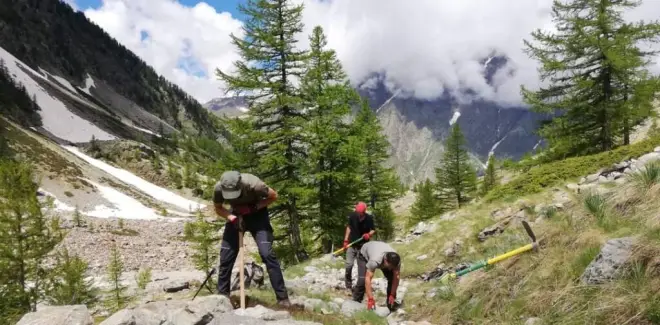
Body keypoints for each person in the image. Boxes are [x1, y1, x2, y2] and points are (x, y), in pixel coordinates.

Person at [212, 170, 291, 307]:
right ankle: (222, 298)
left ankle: (283, 298)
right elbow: (218, 208)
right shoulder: (219, 188)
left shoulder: (255, 184)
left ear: (240, 185)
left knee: (267, 254)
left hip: (258, 216)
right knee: (226, 256)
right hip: (235, 216)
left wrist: (253, 208)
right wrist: (232, 218)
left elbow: (273, 196)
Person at [353, 240, 401, 311]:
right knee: (362, 280)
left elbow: (396, 278)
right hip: (364, 254)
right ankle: (356, 303)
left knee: (391, 278)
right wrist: (370, 298)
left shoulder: (396, 262)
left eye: (393, 267)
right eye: (390, 266)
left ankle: (390, 305)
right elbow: (368, 278)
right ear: (385, 260)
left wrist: (392, 294)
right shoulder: (374, 261)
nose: (391, 269)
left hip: (379, 250)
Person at [343, 202, 376, 290]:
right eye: (357, 211)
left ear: (364, 211)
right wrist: (346, 240)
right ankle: (348, 284)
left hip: (363, 246)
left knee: (361, 267)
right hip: (352, 244)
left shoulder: (369, 218)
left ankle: (360, 286)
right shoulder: (352, 216)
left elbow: (373, 230)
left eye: (360, 212)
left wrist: (369, 234)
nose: (358, 214)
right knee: (349, 265)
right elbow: (349, 227)